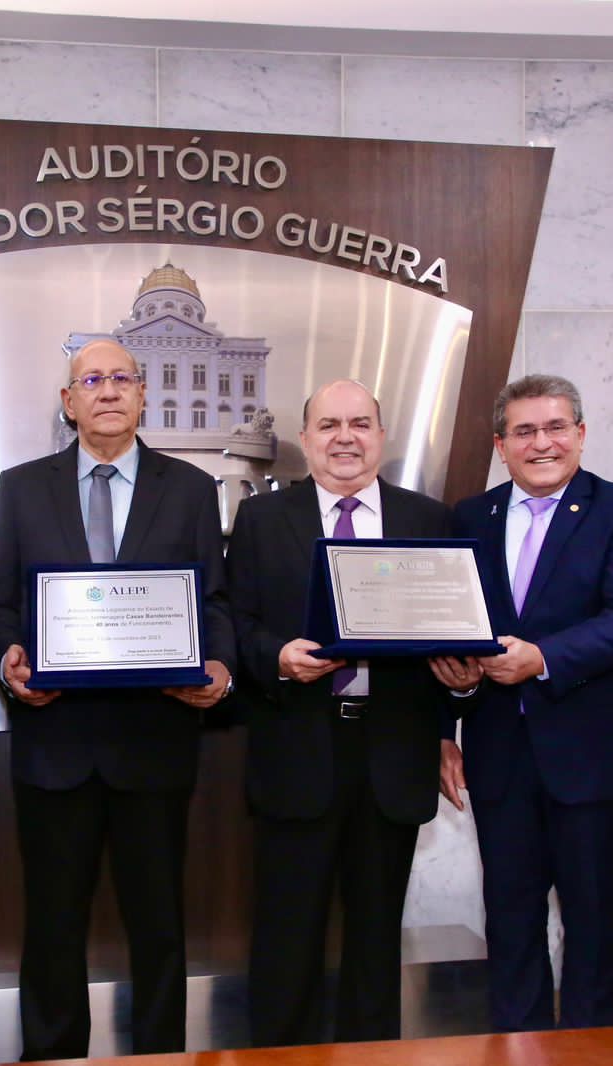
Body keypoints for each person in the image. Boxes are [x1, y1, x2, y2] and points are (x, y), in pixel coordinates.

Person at [0, 339, 234, 1060]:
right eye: (90, 380)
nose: (107, 391)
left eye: (122, 378)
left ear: (143, 395)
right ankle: (53, 1055)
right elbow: (0, 599)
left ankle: (161, 1054)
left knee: (159, 926)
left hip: (154, 743)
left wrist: (217, 665)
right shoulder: (22, 486)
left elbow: (212, 600)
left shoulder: (188, 488)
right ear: (68, 402)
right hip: (52, 741)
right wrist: (9, 660)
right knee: (52, 923)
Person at [433, 374, 613, 1031]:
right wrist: (449, 710)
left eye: (556, 427)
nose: (542, 443)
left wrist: (544, 658)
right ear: (501, 445)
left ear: (581, 436)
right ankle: (518, 1047)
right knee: (509, 920)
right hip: (501, 755)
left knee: (592, 928)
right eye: (525, 431)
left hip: (592, 758)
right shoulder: (471, 517)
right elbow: (453, 628)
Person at [227, 379, 450, 1047]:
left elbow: (453, 633)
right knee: (287, 941)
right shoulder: (266, 520)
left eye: (360, 423)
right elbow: (236, 623)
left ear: (382, 437)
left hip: (394, 756)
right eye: (328, 425)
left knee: (378, 942)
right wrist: (278, 656)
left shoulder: (429, 521)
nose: (345, 437)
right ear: (305, 440)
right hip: (298, 747)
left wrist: (457, 700)